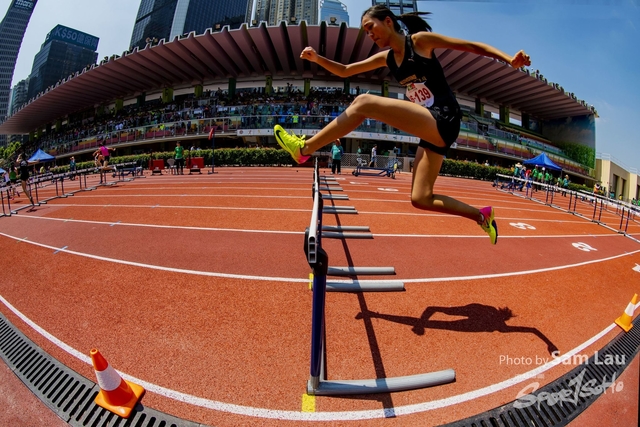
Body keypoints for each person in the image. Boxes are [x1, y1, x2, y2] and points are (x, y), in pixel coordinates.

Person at [273, 6, 530, 244]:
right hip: (430, 126)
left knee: (364, 102)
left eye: (370, 27)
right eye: (365, 31)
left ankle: (304, 149)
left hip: (444, 118)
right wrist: (317, 59)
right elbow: (345, 70)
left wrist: (509, 59)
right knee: (420, 198)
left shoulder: (419, 42)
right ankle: (481, 215)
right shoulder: (388, 58)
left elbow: (471, 46)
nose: (369, 34)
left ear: (388, 22)